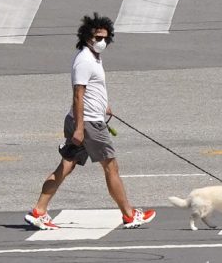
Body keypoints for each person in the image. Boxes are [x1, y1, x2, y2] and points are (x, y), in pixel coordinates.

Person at [24, 13, 155, 230]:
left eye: (105, 38)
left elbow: (93, 89)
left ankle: (39, 211)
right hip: (89, 124)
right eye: (97, 37)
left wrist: (103, 105)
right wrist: (79, 128)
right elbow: (78, 95)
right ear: (87, 37)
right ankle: (129, 215)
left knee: (66, 164)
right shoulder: (84, 60)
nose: (102, 42)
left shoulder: (93, 57)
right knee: (111, 167)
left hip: (90, 119)